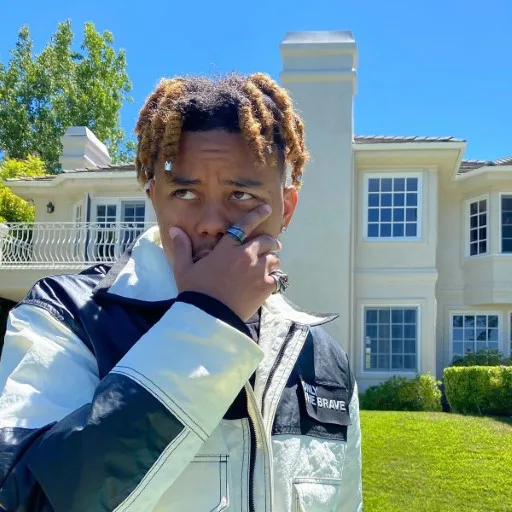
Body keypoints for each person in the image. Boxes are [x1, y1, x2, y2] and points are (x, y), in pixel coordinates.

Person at [0, 72, 362, 511]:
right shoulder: (68, 318)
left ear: (286, 209)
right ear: (155, 197)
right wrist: (208, 319)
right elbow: (25, 499)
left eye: (242, 195)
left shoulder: (323, 360)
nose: (211, 222)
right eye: (186, 192)